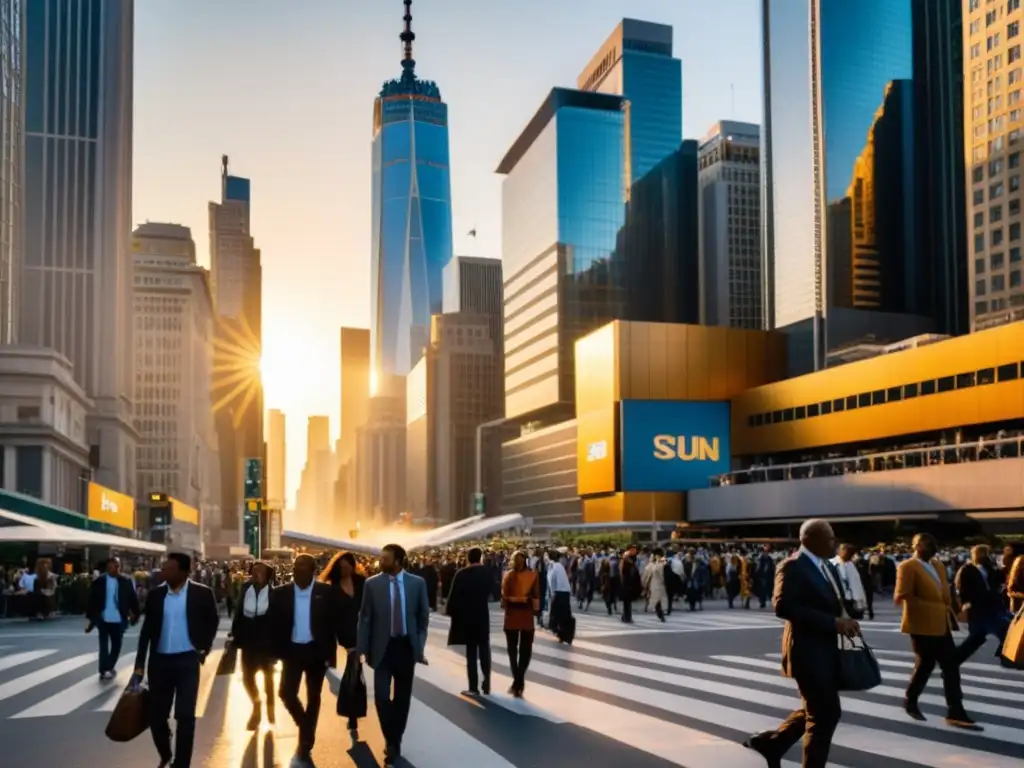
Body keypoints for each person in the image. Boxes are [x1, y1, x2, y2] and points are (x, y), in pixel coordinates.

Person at [741, 519, 858, 768]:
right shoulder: (792, 565)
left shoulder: (828, 566)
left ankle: (774, 744)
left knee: (819, 710)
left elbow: (833, 601)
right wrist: (832, 622)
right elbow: (782, 606)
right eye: (829, 538)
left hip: (827, 650)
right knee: (824, 715)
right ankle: (779, 747)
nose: (833, 542)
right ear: (809, 539)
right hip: (806, 651)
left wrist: (846, 620)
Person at [133, 552, 220, 768]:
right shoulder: (156, 595)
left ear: (183, 571)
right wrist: (139, 666)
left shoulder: (202, 593)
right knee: (156, 717)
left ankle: (182, 764)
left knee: (186, 717)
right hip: (160, 663)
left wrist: (204, 648)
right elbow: (146, 632)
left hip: (187, 662)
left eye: (169, 569)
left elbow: (213, 621)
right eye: (164, 568)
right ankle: (165, 752)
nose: (164, 572)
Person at [356, 543, 430, 768]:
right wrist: (361, 649)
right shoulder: (372, 584)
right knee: (380, 696)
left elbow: (423, 617)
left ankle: (394, 742)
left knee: (402, 699)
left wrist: (419, 646)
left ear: (398, 561)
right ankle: (391, 736)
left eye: (385, 559)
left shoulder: (417, 584)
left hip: (406, 648)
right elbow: (365, 617)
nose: (381, 562)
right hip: (382, 649)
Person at [896, 533, 979, 728]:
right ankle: (911, 700)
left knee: (950, 666)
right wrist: (931, 607)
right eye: (926, 545)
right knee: (925, 664)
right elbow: (903, 594)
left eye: (933, 544)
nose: (931, 548)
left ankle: (955, 710)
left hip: (941, 623)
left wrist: (956, 609)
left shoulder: (938, 565)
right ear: (916, 546)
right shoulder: (907, 566)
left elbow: (946, 589)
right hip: (921, 624)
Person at [270, 552, 341, 766]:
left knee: (313, 696)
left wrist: (333, 654)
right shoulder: (281, 593)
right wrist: (272, 653)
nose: (297, 571)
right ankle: (306, 728)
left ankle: (305, 743)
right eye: (295, 567)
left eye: (302, 567)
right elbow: (273, 625)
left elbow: (333, 625)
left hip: (316, 652)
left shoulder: (325, 592)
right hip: (291, 651)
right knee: (286, 693)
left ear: (312, 571)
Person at [321, 550, 366, 739]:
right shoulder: (332, 588)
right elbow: (330, 617)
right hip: (346, 634)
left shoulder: (362, 583)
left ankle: (351, 711)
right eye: (342, 567)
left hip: (364, 631)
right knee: (354, 670)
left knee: (355, 671)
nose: (346, 569)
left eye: (348, 565)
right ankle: (352, 712)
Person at [229, 560, 277, 730]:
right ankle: (256, 704)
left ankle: (270, 705)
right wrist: (234, 632)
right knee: (248, 677)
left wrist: (277, 645)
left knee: (268, 675)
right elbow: (239, 610)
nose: (256, 573)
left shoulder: (274, 593)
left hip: (266, 640)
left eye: (261, 571)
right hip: (248, 638)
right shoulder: (245, 588)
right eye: (254, 570)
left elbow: (278, 620)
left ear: (267, 574)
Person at [445, 546, 493, 695]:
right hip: (482, 614)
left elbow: (453, 596)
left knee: (471, 652)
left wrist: (451, 611)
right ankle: (487, 681)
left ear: (468, 558)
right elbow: (493, 592)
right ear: (480, 557)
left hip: (467, 617)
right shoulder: (487, 573)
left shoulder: (461, 574)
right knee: (484, 648)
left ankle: (473, 687)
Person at [954, 544, 1011, 667]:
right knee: (978, 638)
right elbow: (962, 589)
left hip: (992, 606)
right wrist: (965, 604)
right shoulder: (967, 569)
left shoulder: (989, 568)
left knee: (1002, 631)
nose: (988, 556)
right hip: (978, 608)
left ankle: (952, 663)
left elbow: (998, 580)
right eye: (985, 553)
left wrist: (1004, 567)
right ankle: (951, 663)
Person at [86, 556, 140, 680]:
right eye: (112, 566)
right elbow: (92, 599)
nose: (115, 568)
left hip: (119, 619)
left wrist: (135, 614)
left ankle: (108, 666)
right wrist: (90, 618)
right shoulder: (99, 581)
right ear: (107, 567)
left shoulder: (125, 581)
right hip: (103, 619)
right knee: (103, 646)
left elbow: (133, 598)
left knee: (117, 646)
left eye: (117, 566)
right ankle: (103, 669)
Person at [501, 550, 540, 697]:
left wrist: (513, 599)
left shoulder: (508, 576)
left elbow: (504, 599)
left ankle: (517, 680)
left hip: (511, 617)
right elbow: (536, 598)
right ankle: (519, 681)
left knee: (512, 651)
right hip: (526, 617)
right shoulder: (533, 575)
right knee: (525, 651)